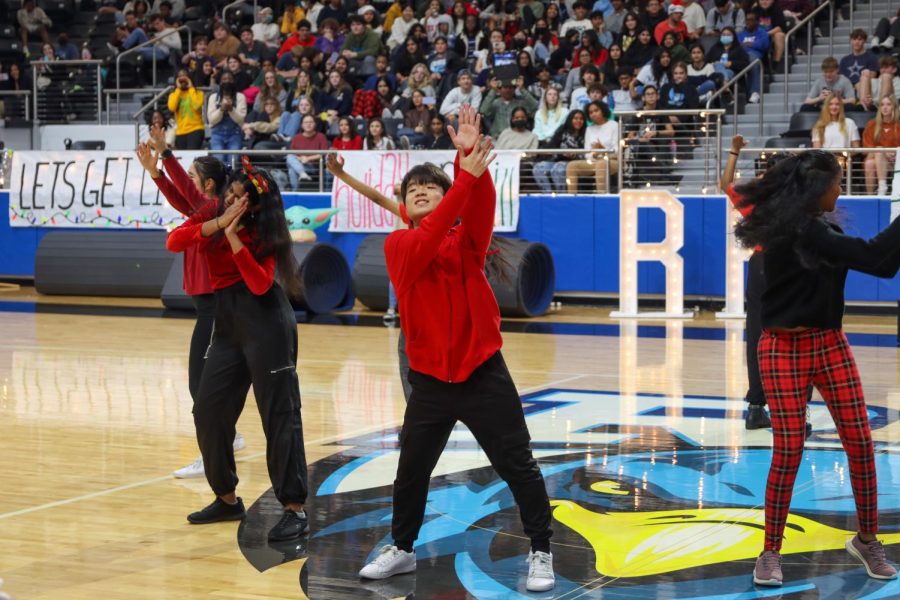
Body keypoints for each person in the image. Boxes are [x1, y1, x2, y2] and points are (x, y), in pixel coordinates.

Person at [357, 105, 555, 593]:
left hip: (484, 373)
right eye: (412, 189)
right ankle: (402, 549)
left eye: (432, 186)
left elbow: (479, 208)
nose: (421, 190)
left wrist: (468, 158)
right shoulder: (399, 247)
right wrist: (459, 180)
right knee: (411, 472)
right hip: (428, 381)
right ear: (404, 205)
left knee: (518, 466)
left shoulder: (467, 243)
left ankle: (541, 550)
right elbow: (430, 235)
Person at [733, 149, 900, 588]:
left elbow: (882, 260)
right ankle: (770, 551)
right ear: (815, 188)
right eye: (837, 181)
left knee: (861, 445)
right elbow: (880, 261)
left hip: (828, 343)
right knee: (788, 452)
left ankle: (866, 540)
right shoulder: (805, 233)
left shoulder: (814, 228)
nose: (841, 188)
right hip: (783, 348)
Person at [164, 156, 310, 543]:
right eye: (230, 193)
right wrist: (216, 224)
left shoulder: (266, 234)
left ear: (257, 206)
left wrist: (231, 236)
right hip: (227, 321)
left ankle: (294, 508)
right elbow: (174, 240)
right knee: (209, 409)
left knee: (279, 414)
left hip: (267, 323)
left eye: (241, 198)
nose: (232, 200)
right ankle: (227, 498)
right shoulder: (213, 211)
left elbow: (261, 285)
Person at [136, 133, 248, 479]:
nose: (189, 182)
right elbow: (180, 197)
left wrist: (167, 156)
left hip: (215, 308)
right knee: (202, 384)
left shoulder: (217, 210)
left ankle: (214, 450)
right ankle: (227, 437)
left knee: (201, 386)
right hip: (208, 308)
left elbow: (185, 192)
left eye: (195, 177)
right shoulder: (203, 211)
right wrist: (156, 173)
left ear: (209, 185)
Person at [565, 101, 619, 193]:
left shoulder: (614, 125)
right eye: (590, 112)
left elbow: (617, 151)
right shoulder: (589, 129)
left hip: (612, 160)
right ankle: (572, 199)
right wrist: (594, 154)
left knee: (601, 164)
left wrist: (603, 150)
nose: (593, 114)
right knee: (572, 165)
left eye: (596, 110)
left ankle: (601, 199)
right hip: (594, 160)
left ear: (603, 111)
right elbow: (587, 153)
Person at [533, 109, 587, 193]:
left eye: (581, 119)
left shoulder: (586, 133)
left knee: (558, 168)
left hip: (575, 162)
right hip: (557, 159)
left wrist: (573, 155)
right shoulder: (562, 130)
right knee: (538, 168)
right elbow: (552, 146)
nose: (578, 121)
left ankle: (561, 196)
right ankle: (548, 195)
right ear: (570, 119)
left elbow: (586, 154)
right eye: (575, 118)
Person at [863, 95, 900, 196]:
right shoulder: (872, 125)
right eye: (882, 105)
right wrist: (883, 152)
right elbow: (867, 150)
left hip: (896, 161)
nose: (885, 107)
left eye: (888, 104)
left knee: (878, 151)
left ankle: (882, 189)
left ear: (894, 107)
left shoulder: (898, 125)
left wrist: (893, 154)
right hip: (878, 161)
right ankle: (872, 195)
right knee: (870, 162)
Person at [208, 81, 248, 167]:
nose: (226, 81)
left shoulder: (240, 97)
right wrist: (221, 110)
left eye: (229, 79)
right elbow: (211, 120)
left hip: (235, 134)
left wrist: (231, 110)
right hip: (217, 134)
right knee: (219, 160)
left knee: (233, 161)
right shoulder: (213, 97)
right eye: (224, 79)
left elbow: (241, 120)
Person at [287, 114, 329, 189]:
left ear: (315, 124)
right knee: (290, 157)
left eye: (310, 122)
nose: (308, 124)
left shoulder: (321, 136)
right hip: (300, 164)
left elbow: (323, 153)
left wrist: (308, 159)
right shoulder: (297, 137)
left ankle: (295, 193)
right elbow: (293, 155)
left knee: (292, 169)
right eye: (305, 122)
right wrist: (301, 159)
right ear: (302, 125)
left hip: (314, 166)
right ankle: (302, 174)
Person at [168, 70, 205, 149]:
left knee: (191, 157)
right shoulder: (173, 95)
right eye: (180, 76)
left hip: (196, 129)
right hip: (180, 132)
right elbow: (172, 107)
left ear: (190, 78)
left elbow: (197, 106)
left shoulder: (199, 93)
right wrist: (178, 89)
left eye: (185, 76)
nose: (183, 78)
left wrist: (191, 88)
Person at [737, 11, 769, 104]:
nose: (748, 22)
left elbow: (764, 45)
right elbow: (737, 46)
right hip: (741, 57)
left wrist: (747, 44)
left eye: (751, 20)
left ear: (756, 22)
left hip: (756, 57)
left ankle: (755, 92)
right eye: (747, 20)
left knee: (753, 60)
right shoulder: (741, 34)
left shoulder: (762, 33)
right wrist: (753, 44)